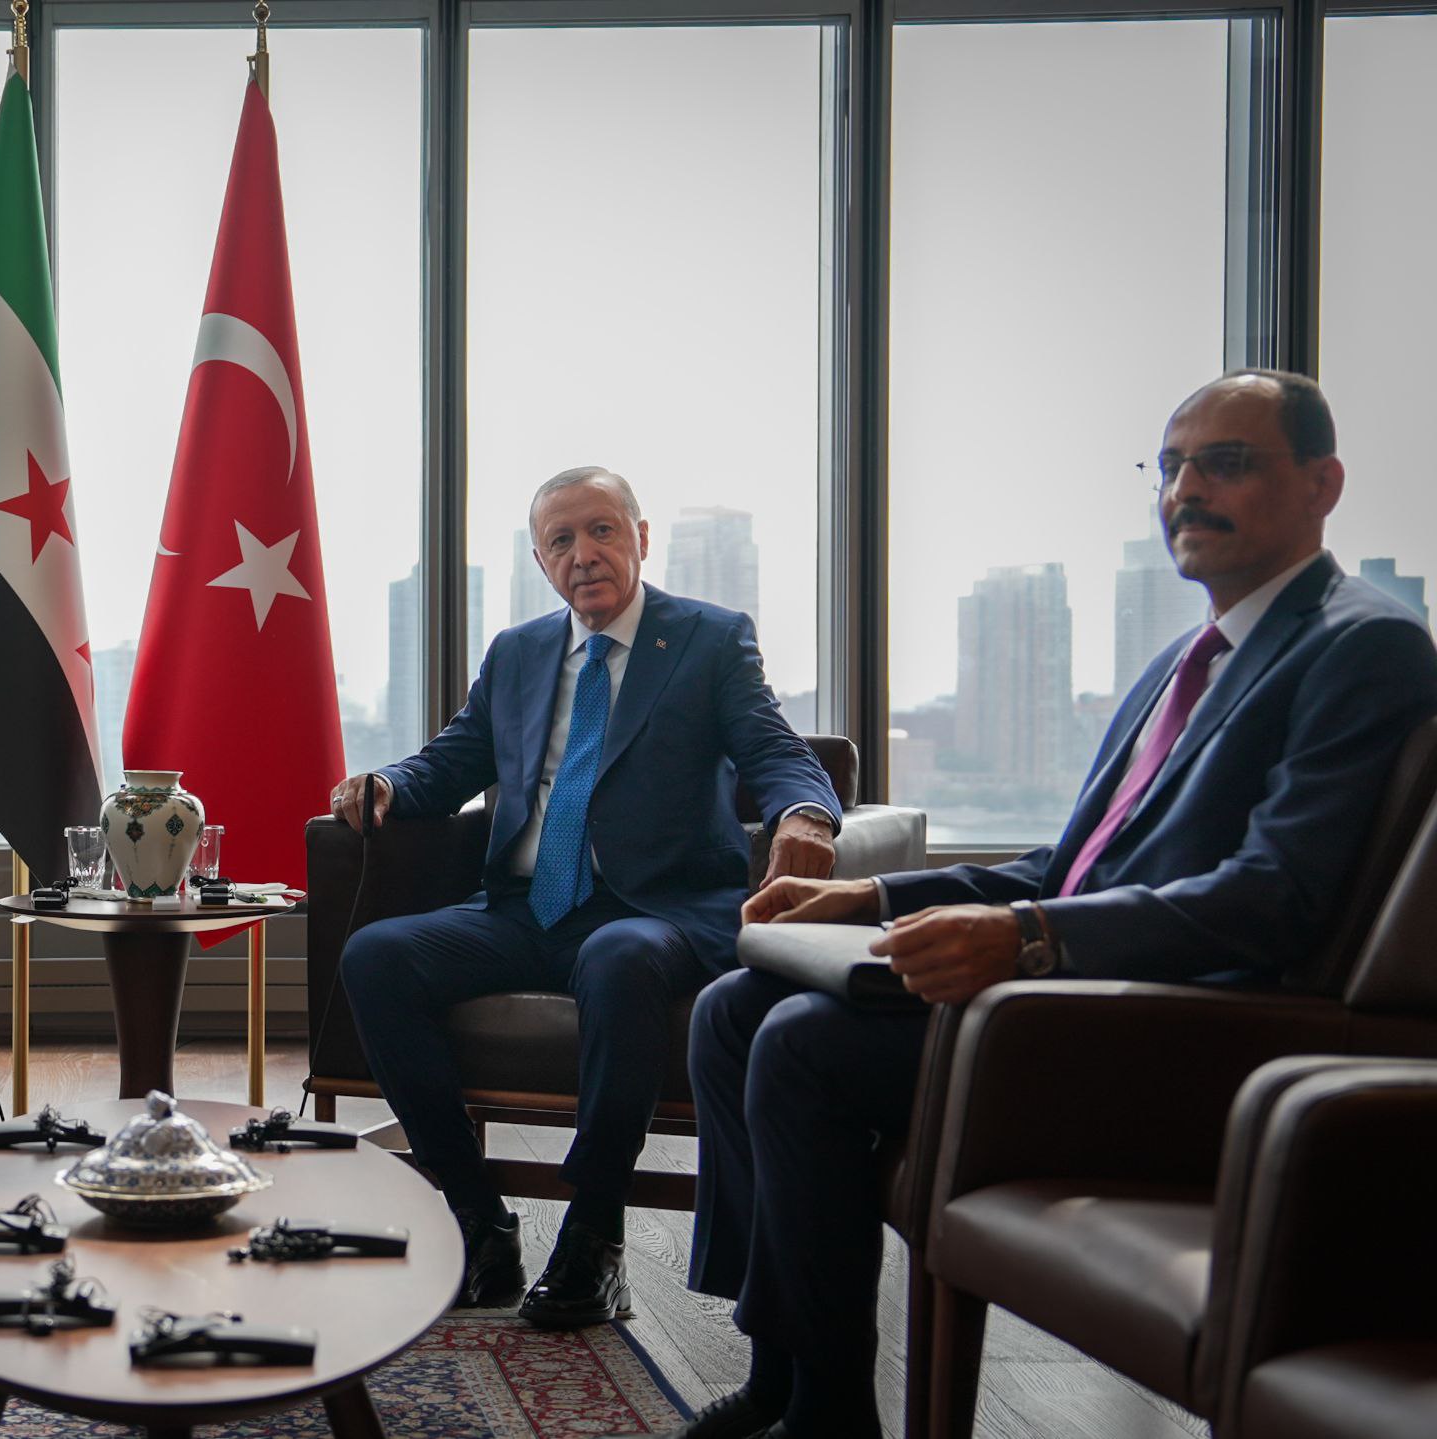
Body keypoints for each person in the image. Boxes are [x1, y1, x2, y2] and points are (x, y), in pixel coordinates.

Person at [671, 370, 1437, 1439]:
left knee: (804, 1043)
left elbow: (1275, 900)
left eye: (1224, 462)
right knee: (733, 1005)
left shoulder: (1364, 643)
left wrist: (1029, 940)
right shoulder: (1183, 660)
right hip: (1072, 993)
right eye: (1168, 466)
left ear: (1323, 483)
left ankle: (829, 1410)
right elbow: (1069, 862)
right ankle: (789, 1373)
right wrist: (870, 892)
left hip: (1169, 1033)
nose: (1183, 490)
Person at [329, 466, 842, 1328]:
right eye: (561, 541)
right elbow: (453, 761)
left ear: (643, 537)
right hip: (523, 907)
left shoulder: (710, 641)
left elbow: (774, 749)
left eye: (602, 530)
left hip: (654, 910)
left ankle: (595, 1232)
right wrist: (386, 783)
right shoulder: (518, 652)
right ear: (542, 560)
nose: (584, 554)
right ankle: (476, 1215)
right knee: (375, 955)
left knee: (617, 955)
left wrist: (806, 814)